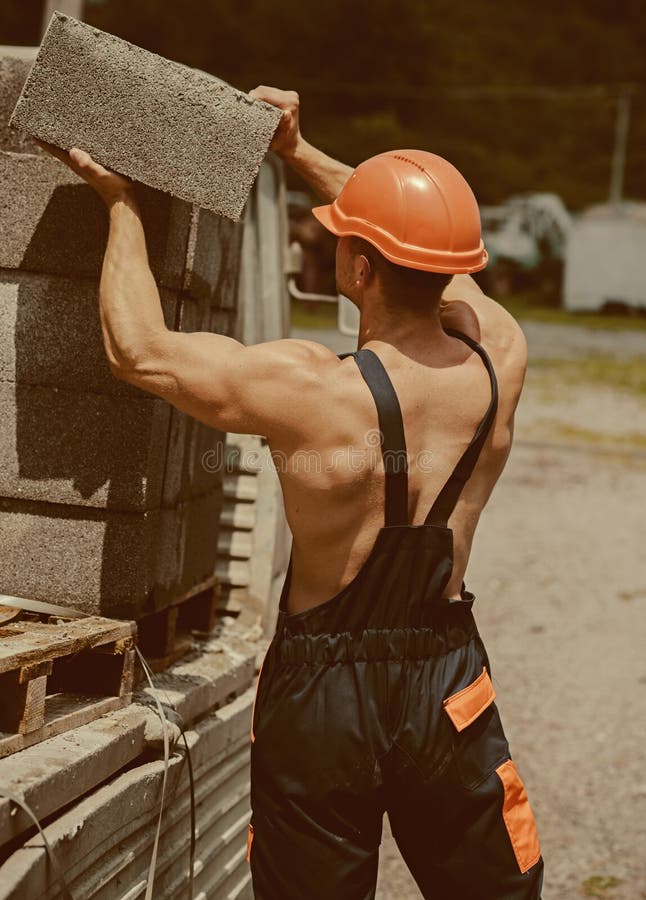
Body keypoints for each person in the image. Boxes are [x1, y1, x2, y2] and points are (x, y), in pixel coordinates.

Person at [37, 85, 543, 899]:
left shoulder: (310, 389)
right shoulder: (499, 362)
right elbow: (431, 253)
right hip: (447, 680)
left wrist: (121, 204)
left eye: (342, 239)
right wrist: (301, 152)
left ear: (360, 266)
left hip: (324, 698)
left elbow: (139, 351)